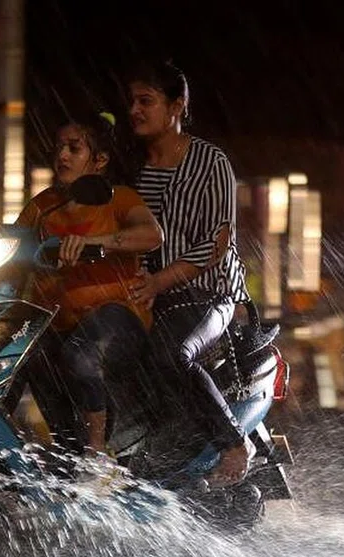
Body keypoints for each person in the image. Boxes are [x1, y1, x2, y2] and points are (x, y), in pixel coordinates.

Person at [125, 60, 254, 487]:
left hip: (205, 294)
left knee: (169, 353)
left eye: (147, 101)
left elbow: (218, 241)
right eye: (132, 102)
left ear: (176, 106)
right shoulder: (131, 168)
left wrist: (161, 281)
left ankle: (234, 443)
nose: (135, 110)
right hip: (140, 295)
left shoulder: (210, 162)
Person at [15, 111, 163, 457]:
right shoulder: (44, 205)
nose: (62, 156)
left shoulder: (120, 198)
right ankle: (64, 452)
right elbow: (13, 241)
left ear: (99, 160)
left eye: (74, 148)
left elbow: (152, 234)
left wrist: (100, 242)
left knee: (80, 357)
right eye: (59, 148)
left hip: (117, 315)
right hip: (53, 320)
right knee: (16, 356)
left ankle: (95, 454)